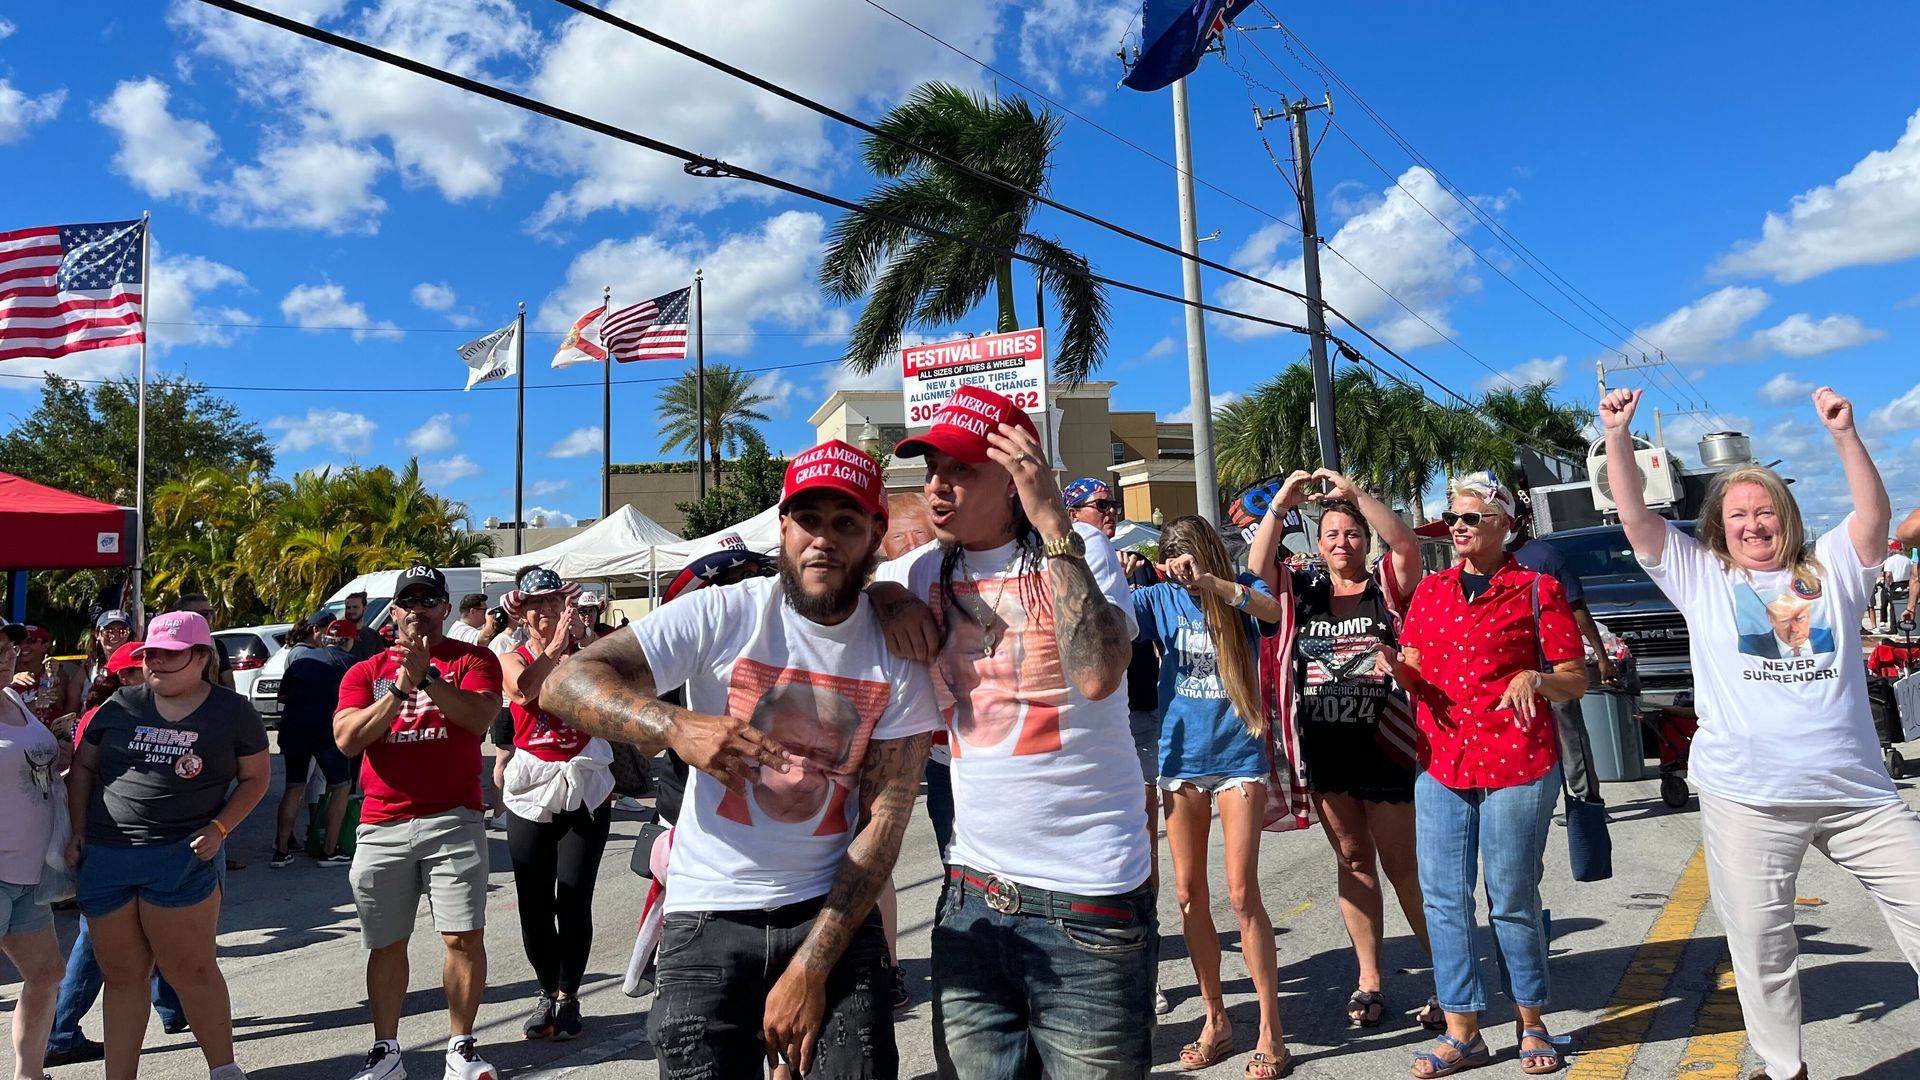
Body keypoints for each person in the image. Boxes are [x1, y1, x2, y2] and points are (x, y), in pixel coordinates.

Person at [545, 440, 940, 1079]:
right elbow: (564, 683)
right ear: (783, 527)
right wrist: (673, 724)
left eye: (846, 523)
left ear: (875, 535)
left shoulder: (896, 648)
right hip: (709, 914)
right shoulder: (726, 611)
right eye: (809, 520)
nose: (824, 540)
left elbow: (884, 824)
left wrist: (811, 966)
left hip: (830, 912)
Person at [1604, 386, 1920, 1080]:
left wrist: (1845, 434)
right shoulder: (1700, 575)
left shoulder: (1831, 568)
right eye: (1739, 514)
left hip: (1857, 794)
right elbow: (1635, 517)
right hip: (1748, 798)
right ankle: (1784, 1069)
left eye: (1765, 511)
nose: (1753, 525)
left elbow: (1874, 516)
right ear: (1720, 525)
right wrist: (1620, 438)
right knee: (1760, 943)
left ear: (1788, 517)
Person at [868, 386, 1154, 1079]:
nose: (937, 486)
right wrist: (885, 592)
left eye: (961, 469)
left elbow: (1098, 673)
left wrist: (1053, 521)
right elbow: (853, 587)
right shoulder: (924, 568)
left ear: (1018, 473)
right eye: (932, 468)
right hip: (972, 898)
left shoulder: (1078, 546)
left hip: (1088, 900)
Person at [1386, 473, 1587, 1077]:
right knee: (1445, 898)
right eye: (1455, 517)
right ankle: (1463, 1029)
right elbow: (1417, 666)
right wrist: (1398, 667)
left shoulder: (1536, 590)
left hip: (1518, 761)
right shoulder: (1429, 594)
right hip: (1442, 761)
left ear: (1505, 525)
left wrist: (1537, 679)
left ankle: (1531, 1022)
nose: (1460, 527)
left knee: (1512, 898)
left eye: (1472, 518)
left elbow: (1576, 677)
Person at [1250, 468, 1445, 1032]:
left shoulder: (1386, 584)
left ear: (1365, 540)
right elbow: (1256, 571)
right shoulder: (1302, 589)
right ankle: (1369, 979)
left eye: (1353, 533)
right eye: (1332, 534)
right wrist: (1282, 503)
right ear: (1318, 543)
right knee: (1353, 860)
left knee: (1403, 868)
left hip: (1386, 744)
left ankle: (1445, 978)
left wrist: (1356, 495)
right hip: (1325, 747)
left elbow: (1405, 543)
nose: (1342, 542)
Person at [65, 610, 270, 1080]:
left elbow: (255, 779)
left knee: (191, 970)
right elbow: (83, 769)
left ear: (200, 657)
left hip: (180, 858)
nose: (155, 661)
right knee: (121, 978)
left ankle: (224, 1070)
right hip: (107, 856)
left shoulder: (231, 711)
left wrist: (221, 829)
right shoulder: (119, 704)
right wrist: (78, 829)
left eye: (168, 654)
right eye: (150, 653)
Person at [1131, 514, 1291, 1076]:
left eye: (1185, 564)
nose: (1179, 578)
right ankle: (1216, 1017)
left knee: (1243, 891)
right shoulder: (1158, 599)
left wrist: (1210, 584)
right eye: (1171, 569)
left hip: (1236, 759)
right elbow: (1108, 623)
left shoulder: (1245, 590)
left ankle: (1271, 1029)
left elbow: (1271, 613)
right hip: (1180, 763)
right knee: (1187, 893)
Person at [332, 566, 503, 1080]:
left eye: (429, 600)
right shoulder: (366, 671)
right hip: (383, 824)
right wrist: (401, 688)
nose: (418, 611)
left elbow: (478, 719)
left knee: (462, 938)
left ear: (445, 609)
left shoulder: (473, 659)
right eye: (409, 602)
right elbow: (348, 739)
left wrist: (429, 675)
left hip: (453, 818)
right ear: (397, 612)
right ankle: (386, 1051)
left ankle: (461, 1048)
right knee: (386, 942)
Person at [47, 640, 189, 1067]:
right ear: (122, 676)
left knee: (157, 931)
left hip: (134, 849)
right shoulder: (107, 718)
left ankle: (174, 1010)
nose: (153, 671)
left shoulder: (138, 714)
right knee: (94, 946)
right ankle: (60, 1032)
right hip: (108, 849)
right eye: (141, 666)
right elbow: (82, 780)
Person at [1064, 476, 1172, 1017]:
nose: (1110, 513)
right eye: (1099, 506)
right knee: (1109, 847)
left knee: (1140, 845)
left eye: (1112, 504)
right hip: (1095, 721)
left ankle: (1143, 969)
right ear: (1072, 512)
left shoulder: (1127, 560)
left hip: (1140, 711)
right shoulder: (1061, 556)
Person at [495, 568, 614, 1041]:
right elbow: (523, 689)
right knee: (534, 901)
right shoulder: (510, 657)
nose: (546, 612)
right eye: (535, 605)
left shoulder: (585, 655)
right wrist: (553, 647)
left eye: (553, 602)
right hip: (532, 784)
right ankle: (546, 990)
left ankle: (569, 995)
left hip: (584, 782)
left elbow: (615, 689)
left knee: (575, 896)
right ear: (522, 614)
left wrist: (579, 641)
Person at [0, 620, 66, 1080]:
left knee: (46, 975)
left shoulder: (11, 696)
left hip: (29, 872)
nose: (8, 653)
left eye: (8, 644)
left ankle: (30, 1075)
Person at [272, 620, 358, 867]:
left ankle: (281, 851)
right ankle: (329, 851)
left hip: (293, 728)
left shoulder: (301, 660)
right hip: (326, 731)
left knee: (294, 786)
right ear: (348, 641)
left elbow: (283, 696)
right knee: (340, 785)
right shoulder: (349, 663)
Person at [171, 594, 236, 690]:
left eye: (211, 613)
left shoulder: (217, 646)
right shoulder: (169, 646)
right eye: (204, 613)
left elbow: (229, 684)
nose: (209, 617)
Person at [86, 610, 135, 684]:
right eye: (109, 631)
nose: (114, 636)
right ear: (97, 634)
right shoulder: (89, 668)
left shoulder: (137, 669)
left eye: (122, 631)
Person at [342, 591, 386, 662]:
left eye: (355, 607)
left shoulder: (374, 636)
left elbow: (380, 662)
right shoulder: (338, 634)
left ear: (365, 608)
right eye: (348, 607)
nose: (351, 611)